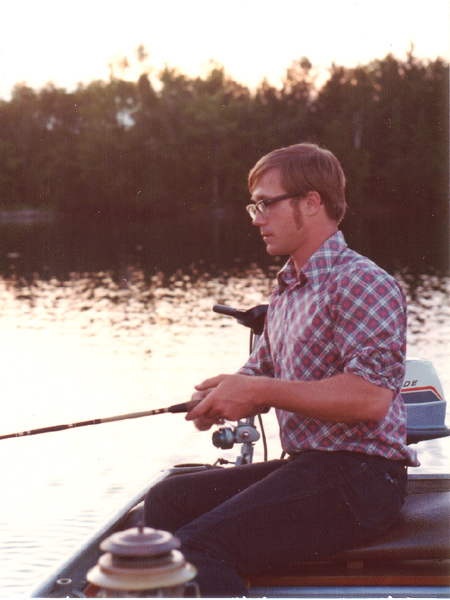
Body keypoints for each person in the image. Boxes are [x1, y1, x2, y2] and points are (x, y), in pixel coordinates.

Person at [144, 143, 419, 597]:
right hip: (311, 469)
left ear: (311, 202)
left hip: (363, 479)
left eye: (266, 204)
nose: (257, 218)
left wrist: (258, 392)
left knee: (195, 549)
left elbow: (370, 398)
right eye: (254, 206)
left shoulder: (363, 282)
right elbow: (258, 374)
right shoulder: (289, 290)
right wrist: (216, 397)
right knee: (166, 499)